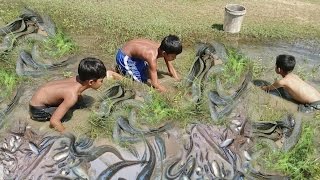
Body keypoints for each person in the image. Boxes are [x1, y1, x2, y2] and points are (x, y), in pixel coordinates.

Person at [29, 57, 121, 132]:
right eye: (101, 81)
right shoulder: (72, 95)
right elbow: (54, 121)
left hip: (41, 95)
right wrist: (67, 134)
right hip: (37, 109)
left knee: (78, 102)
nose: (102, 83)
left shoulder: (77, 79)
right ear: (91, 82)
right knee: (66, 114)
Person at [115, 34, 182, 92]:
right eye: (173, 56)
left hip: (135, 55)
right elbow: (155, 84)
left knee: (146, 71)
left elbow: (169, 64)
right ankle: (113, 74)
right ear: (164, 53)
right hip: (124, 56)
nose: (175, 58)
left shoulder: (163, 47)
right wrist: (168, 91)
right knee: (139, 81)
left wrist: (177, 78)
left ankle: (123, 69)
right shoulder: (152, 56)